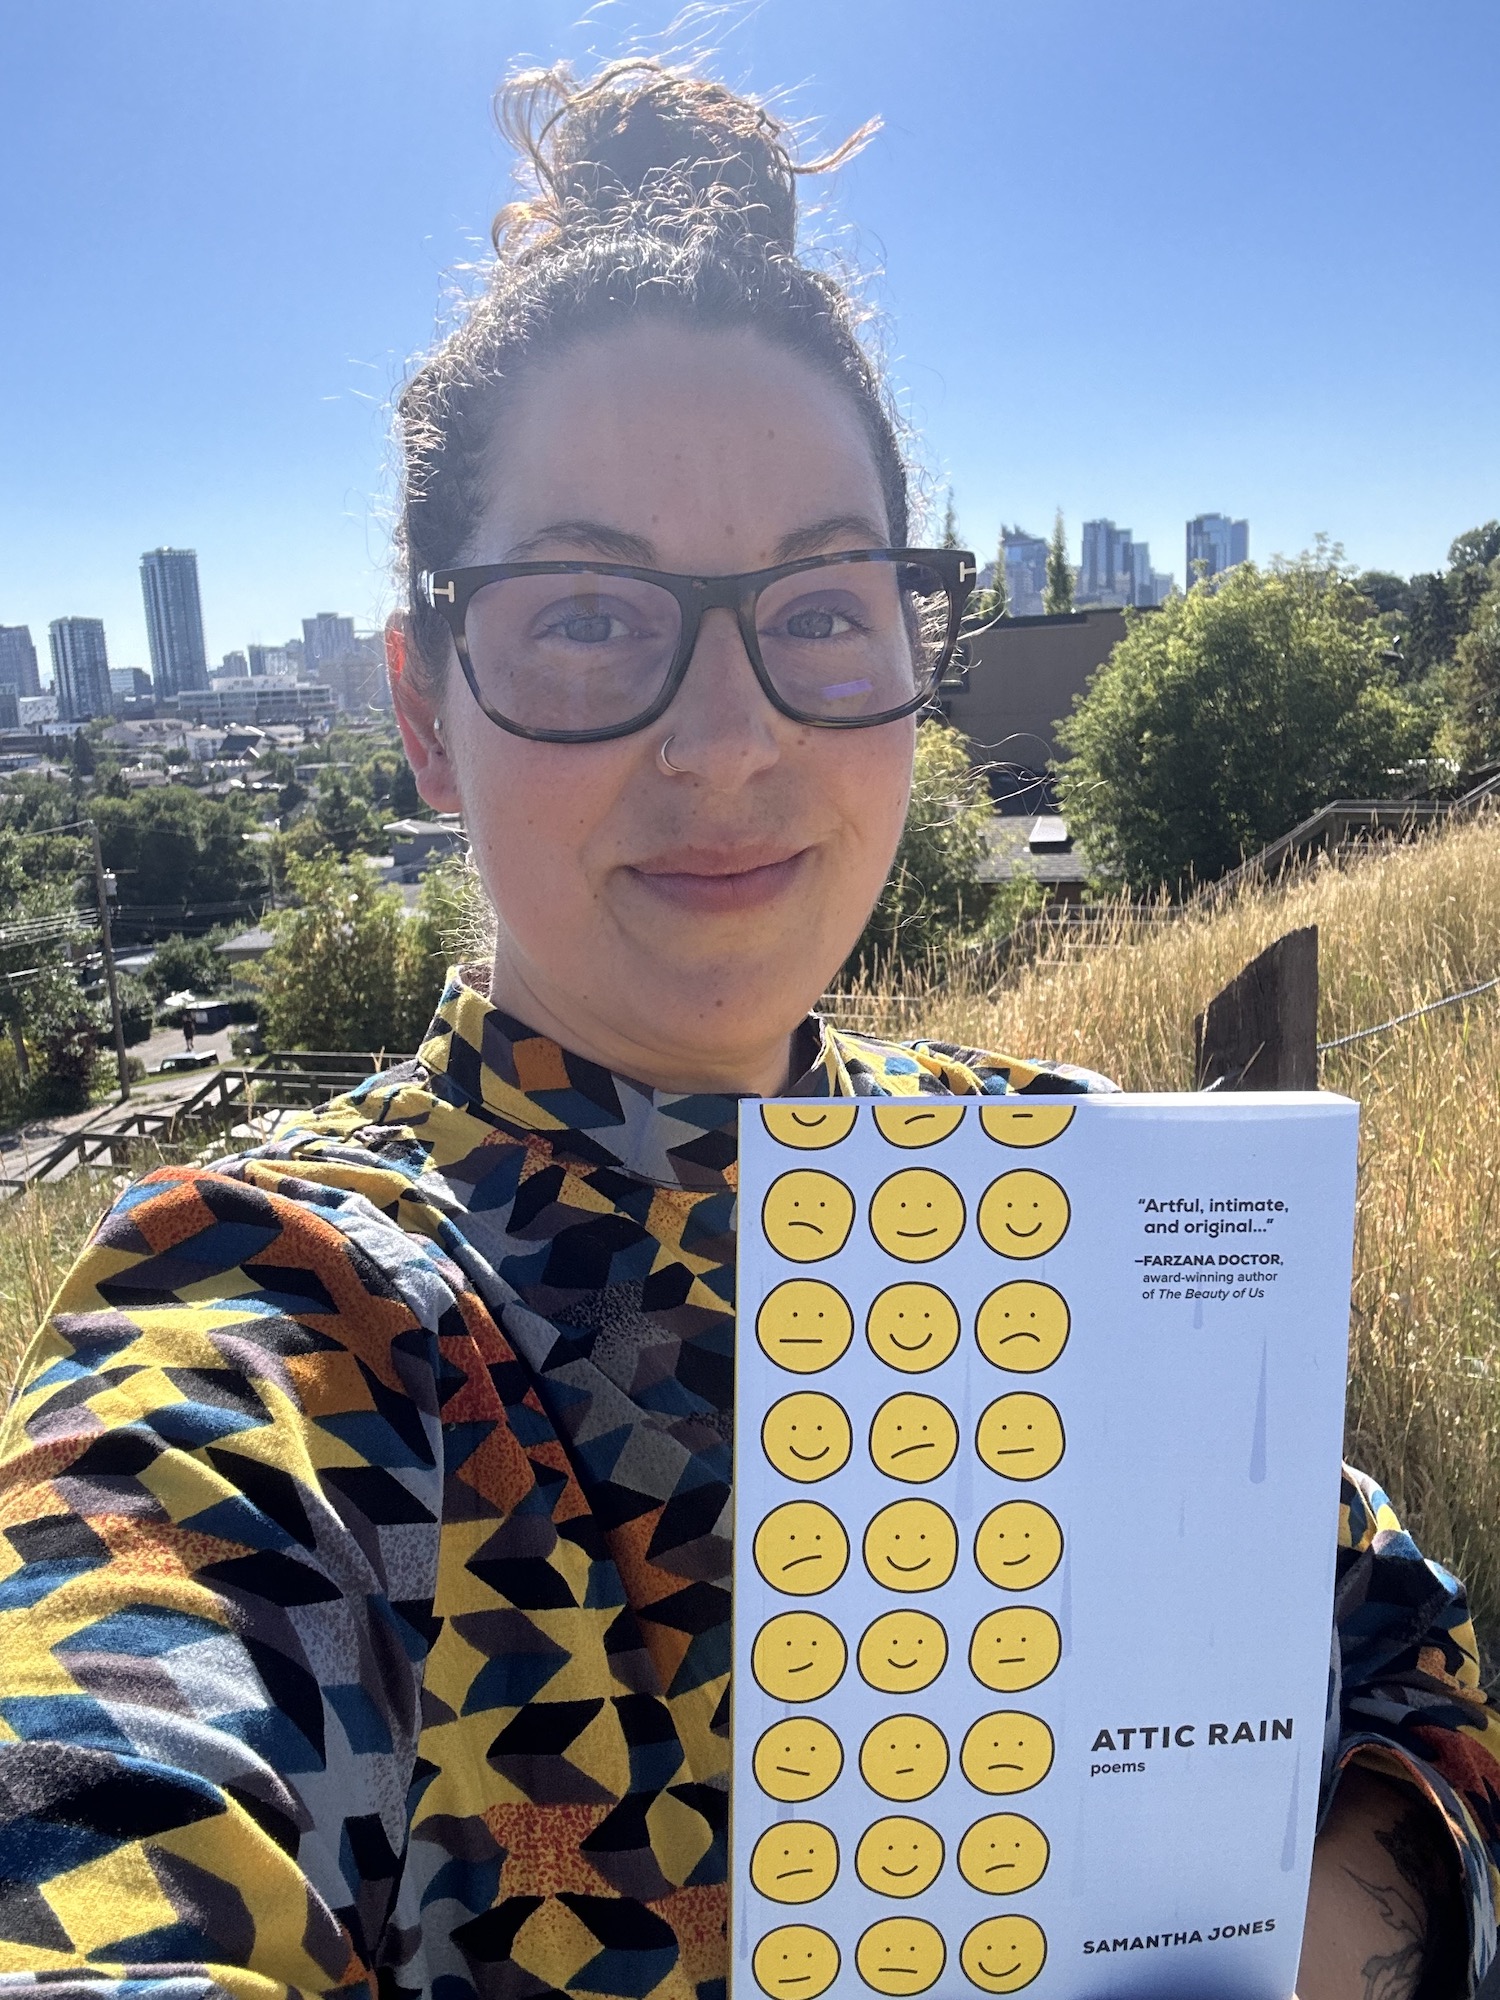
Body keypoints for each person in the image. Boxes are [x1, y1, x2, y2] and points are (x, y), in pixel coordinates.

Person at [0, 58, 1494, 2000]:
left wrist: (1311, 1949)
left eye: (817, 605)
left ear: (911, 651)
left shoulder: (1065, 1181)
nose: (729, 739)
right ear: (427, 708)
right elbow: (91, 1819)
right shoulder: (287, 1299)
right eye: (591, 615)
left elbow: (1404, 1660)